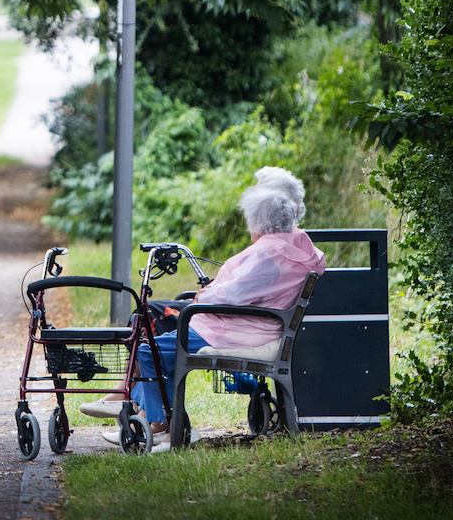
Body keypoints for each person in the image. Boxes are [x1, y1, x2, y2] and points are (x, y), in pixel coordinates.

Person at [80, 167, 326, 447]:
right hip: (243, 325)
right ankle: (151, 416)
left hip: (235, 331)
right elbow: (244, 292)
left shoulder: (269, 255)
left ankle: (164, 426)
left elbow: (233, 295)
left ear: (259, 220)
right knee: (154, 338)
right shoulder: (295, 246)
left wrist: (200, 299)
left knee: (148, 349)